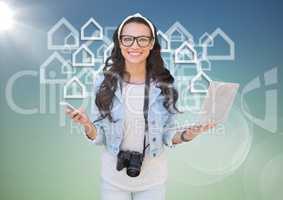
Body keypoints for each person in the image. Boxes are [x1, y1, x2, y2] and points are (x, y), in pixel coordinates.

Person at [66, 13, 215, 200]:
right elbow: (100, 137)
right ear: (119, 43)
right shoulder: (103, 83)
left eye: (142, 39)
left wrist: (187, 134)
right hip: (113, 180)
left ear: (152, 43)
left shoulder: (165, 84)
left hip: (153, 181)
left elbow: (167, 136)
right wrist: (87, 124)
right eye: (127, 39)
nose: (134, 45)